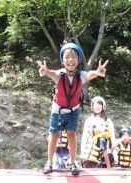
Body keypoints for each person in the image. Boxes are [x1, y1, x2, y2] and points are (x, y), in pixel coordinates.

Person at [37, 42, 109, 175]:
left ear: (79, 59)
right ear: (63, 60)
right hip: (57, 110)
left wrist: (98, 72)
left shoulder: (81, 75)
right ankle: (49, 162)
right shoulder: (59, 74)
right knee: (54, 135)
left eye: (74, 57)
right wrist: (45, 71)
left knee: (71, 134)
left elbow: (90, 74)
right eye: (67, 57)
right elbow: (50, 73)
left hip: (73, 110)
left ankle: (72, 162)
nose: (70, 60)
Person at [80, 96, 116, 168]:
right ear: (92, 106)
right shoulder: (89, 120)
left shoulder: (108, 120)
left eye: (99, 104)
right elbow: (84, 137)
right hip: (90, 152)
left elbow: (112, 137)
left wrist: (114, 154)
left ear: (103, 106)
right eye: (95, 105)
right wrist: (82, 153)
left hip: (105, 151)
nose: (97, 107)